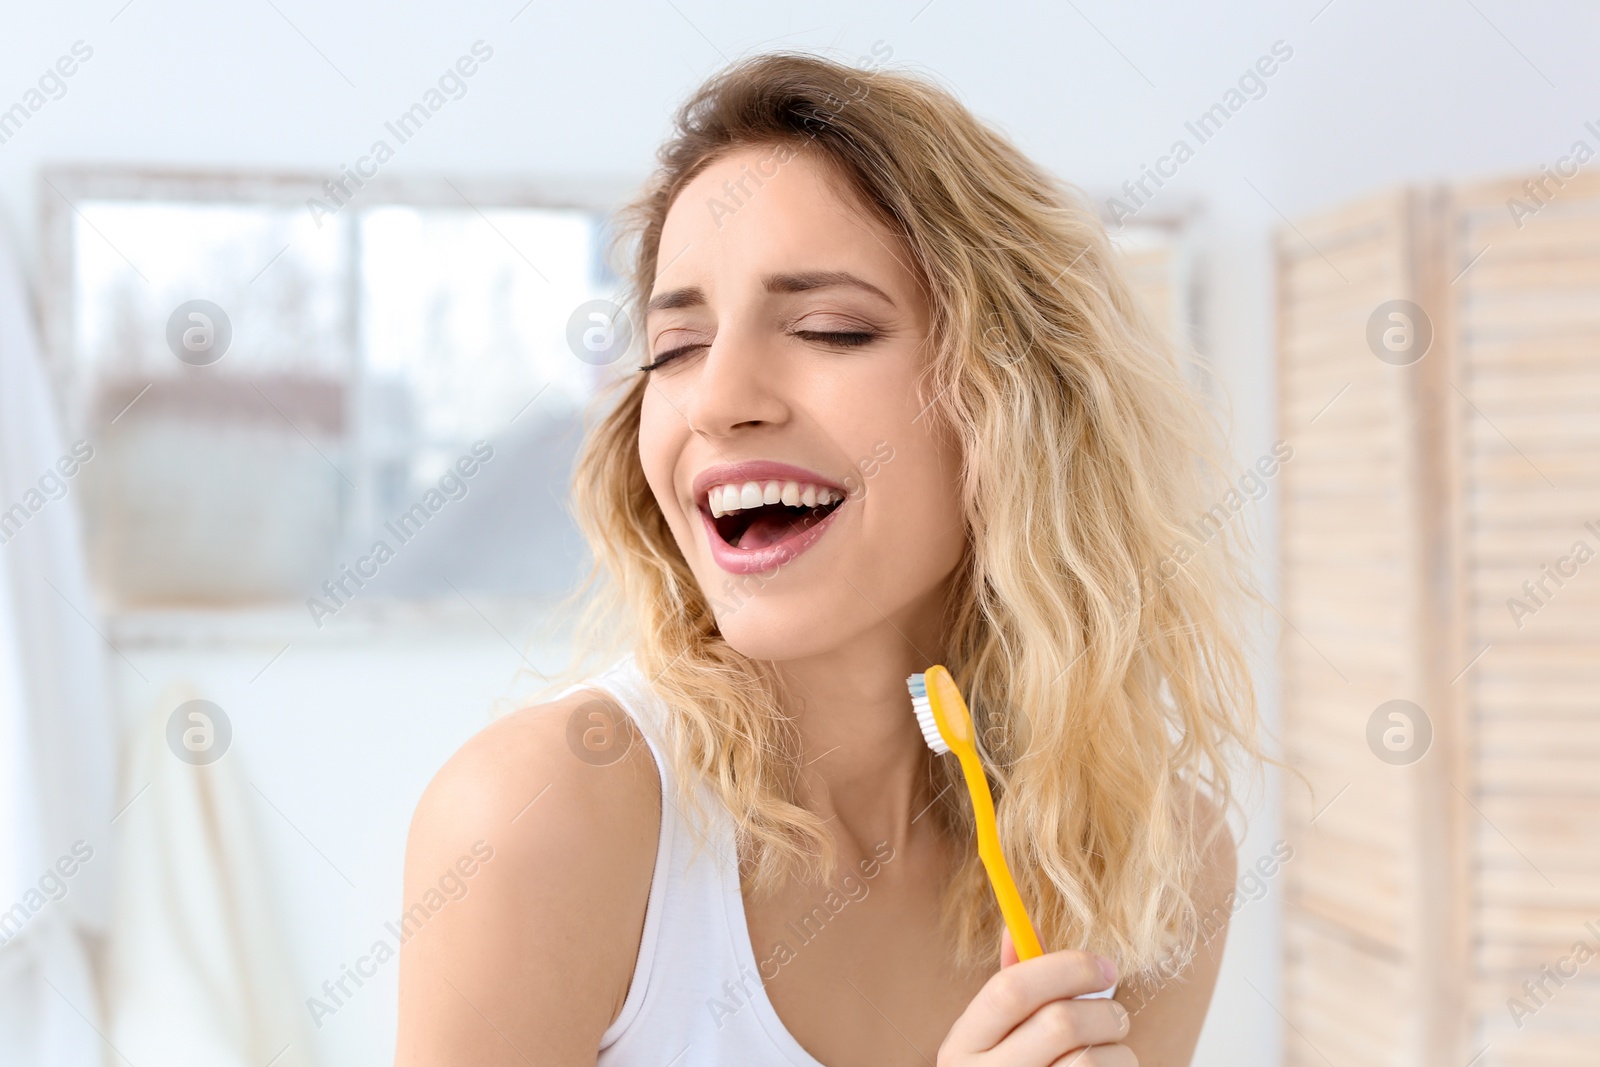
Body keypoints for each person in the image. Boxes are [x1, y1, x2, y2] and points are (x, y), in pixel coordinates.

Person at [396, 51, 1260, 1067]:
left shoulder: (1155, 862)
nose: (717, 397)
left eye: (828, 327)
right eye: (675, 347)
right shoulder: (544, 818)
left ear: (1014, 400)